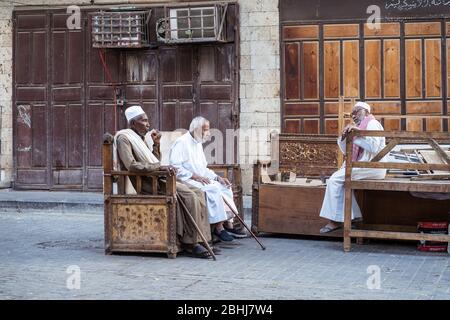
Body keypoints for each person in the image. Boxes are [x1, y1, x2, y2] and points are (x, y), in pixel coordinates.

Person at [114, 105, 215, 259]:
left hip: (157, 178)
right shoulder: (124, 138)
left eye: (147, 120)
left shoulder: (140, 139)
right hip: (147, 183)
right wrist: (159, 167)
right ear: (133, 123)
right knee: (188, 195)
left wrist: (156, 144)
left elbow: (154, 160)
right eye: (144, 120)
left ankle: (203, 238)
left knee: (199, 192)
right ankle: (191, 242)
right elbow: (132, 165)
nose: (148, 124)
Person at [169, 116, 246, 242]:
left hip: (200, 178)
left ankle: (228, 224)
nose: (208, 133)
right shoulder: (181, 142)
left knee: (224, 186)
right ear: (196, 129)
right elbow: (175, 167)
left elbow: (203, 169)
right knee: (213, 189)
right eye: (205, 130)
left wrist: (217, 177)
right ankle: (219, 228)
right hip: (186, 180)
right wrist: (195, 176)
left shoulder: (198, 143)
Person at [319, 102, 387, 233]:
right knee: (342, 183)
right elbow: (346, 151)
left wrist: (358, 134)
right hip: (363, 165)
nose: (354, 115)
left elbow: (374, 148)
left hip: (373, 167)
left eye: (357, 111)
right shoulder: (358, 126)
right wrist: (345, 138)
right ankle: (355, 217)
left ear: (366, 112)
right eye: (352, 113)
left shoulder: (372, 123)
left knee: (334, 180)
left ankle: (336, 221)